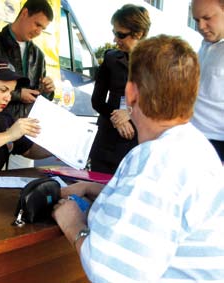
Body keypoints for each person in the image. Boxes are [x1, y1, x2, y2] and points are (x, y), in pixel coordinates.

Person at [52, 35, 224, 282]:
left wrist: (72, 224)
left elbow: (113, 273)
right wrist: (97, 189)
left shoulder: (158, 159)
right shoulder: (195, 147)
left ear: (131, 92)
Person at [0, 0, 56, 169]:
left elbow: (38, 96)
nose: (38, 31)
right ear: (24, 13)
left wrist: (47, 90)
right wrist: (16, 94)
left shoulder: (38, 55)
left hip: (25, 134)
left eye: (43, 28)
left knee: (19, 186)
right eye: (37, 24)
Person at [89, 4, 150, 174]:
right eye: (114, 33)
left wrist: (130, 114)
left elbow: (162, 106)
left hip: (137, 143)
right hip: (106, 141)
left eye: (120, 34)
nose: (116, 39)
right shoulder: (110, 59)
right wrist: (117, 118)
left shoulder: (157, 64)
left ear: (139, 34)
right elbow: (97, 101)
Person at [190, 0, 224, 161]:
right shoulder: (205, 46)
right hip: (191, 139)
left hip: (217, 146)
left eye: (207, 18)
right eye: (196, 20)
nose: (201, 26)